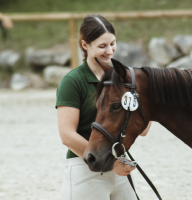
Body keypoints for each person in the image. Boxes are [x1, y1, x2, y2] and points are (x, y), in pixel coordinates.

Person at [56, 15, 151, 200]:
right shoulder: (72, 81)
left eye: (113, 44)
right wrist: (111, 163)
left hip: (120, 170)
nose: (110, 51)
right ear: (85, 45)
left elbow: (144, 130)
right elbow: (67, 136)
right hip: (85, 168)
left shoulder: (124, 78)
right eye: (102, 46)